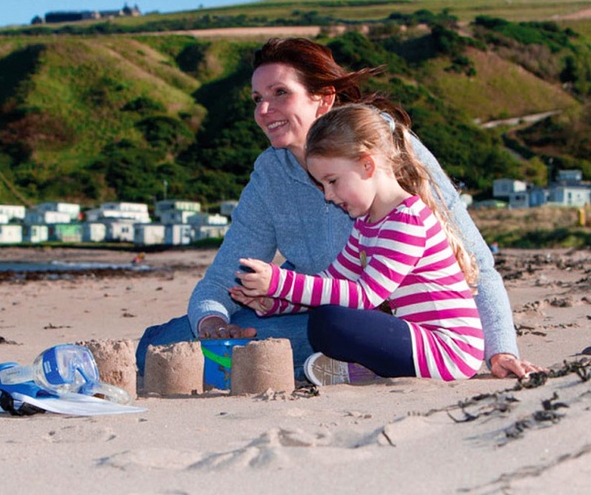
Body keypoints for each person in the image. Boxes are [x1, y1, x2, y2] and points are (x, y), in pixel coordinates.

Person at [136, 37, 543, 380]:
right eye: (257, 98)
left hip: (389, 324)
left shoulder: (383, 147)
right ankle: (248, 359)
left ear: (323, 98)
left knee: (316, 330)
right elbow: (226, 276)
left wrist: (500, 350)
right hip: (312, 309)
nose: (264, 110)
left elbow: (479, 265)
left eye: (281, 93)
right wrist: (213, 324)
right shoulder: (270, 173)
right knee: (158, 345)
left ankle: (269, 363)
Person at [229, 104, 484, 384]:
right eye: (322, 185)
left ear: (367, 165)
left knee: (331, 322)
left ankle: (363, 368)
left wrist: (280, 282)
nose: (328, 195)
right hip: (416, 338)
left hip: (450, 351)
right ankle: (363, 370)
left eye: (332, 181)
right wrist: (276, 302)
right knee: (328, 320)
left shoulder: (406, 220)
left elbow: (366, 296)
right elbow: (332, 280)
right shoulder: (367, 224)